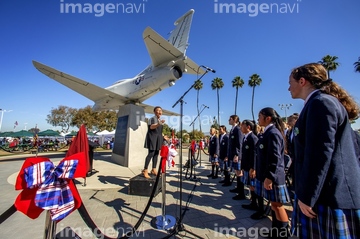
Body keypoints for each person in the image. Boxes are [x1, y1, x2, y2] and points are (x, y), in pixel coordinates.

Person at [288, 63, 360, 238]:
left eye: (291, 82)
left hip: (329, 197)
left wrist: (307, 196)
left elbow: (319, 154)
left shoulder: (321, 103)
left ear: (302, 81)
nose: (288, 87)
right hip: (323, 195)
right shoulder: (318, 102)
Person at [253, 107, 290, 238]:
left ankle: (284, 232)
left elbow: (274, 158)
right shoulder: (267, 132)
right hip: (268, 175)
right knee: (274, 205)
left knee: (278, 206)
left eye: (260, 116)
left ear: (268, 118)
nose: (258, 119)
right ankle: (276, 230)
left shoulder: (273, 133)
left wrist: (269, 177)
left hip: (273, 177)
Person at [225, 115, 246, 202]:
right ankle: (238, 188)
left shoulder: (238, 129)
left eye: (230, 119)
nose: (228, 120)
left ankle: (241, 193)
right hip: (232, 154)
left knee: (239, 172)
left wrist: (237, 154)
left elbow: (240, 143)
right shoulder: (233, 129)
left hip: (237, 155)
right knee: (237, 172)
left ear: (234, 120)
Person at [239, 120, 259, 211]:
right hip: (246, 166)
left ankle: (256, 204)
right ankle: (253, 202)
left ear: (248, 127)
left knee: (253, 185)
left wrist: (253, 168)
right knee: (250, 185)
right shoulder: (245, 137)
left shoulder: (253, 138)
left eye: (242, 126)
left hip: (251, 167)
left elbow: (254, 154)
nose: (240, 127)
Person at [143, 106, 167, 179]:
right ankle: (145, 170)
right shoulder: (152, 119)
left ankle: (154, 169)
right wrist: (158, 124)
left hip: (158, 138)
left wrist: (163, 137)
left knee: (156, 154)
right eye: (157, 110)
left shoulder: (160, 120)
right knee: (151, 153)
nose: (159, 112)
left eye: (160, 110)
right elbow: (151, 127)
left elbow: (159, 131)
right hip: (152, 138)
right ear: (154, 112)